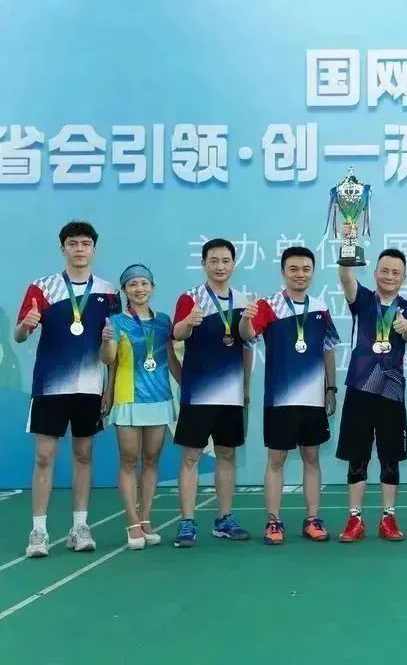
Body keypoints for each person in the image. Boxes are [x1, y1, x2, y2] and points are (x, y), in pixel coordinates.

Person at [15, 221, 119, 558]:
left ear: (94, 249)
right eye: (72, 243)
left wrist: (109, 384)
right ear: (63, 249)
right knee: (44, 457)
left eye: (85, 243)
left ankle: (80, 527)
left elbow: (111, 352)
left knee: (83, 455)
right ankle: (39, 531)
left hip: (90, 389)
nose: (79, 249)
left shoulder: (108, 292)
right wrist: (25, 325)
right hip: (50, 387)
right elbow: (19, 336)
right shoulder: (42, 288)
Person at [240, 246, 340, 545]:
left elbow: (328, 349)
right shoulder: (268, 305)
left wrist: (331, 388)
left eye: (306, 269)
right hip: (280, 399)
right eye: (293, 269)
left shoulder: (320, 307)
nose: (300, 274)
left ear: (313, 272)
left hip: (313, 400)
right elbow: (247, 336)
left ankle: (313, 519)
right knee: (276, 460)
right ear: (283, 272)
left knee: (312, 458)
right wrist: (246, 319)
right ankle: (273, 521)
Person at [171, 238, 254, 547]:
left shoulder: (243, 300)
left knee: (227, 454)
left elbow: (247, 345)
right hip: (199, 393)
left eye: (225, 261)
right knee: (191, 456)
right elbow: (176, 334)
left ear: (234, 264)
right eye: (214, 261)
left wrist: (245, 386)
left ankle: (224, 518)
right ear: (204, 264)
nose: (220, 266)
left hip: (231, 394)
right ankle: (187, 522)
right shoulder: (190, 298)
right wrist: (188, 322)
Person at [335, 244, 407, 543]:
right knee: (357, 457)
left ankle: (388, 519)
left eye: (396, 272)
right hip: (360, 389)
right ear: (375, 273)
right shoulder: (363, 299)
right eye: (385, 271)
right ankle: (354, 519)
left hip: (391, 392)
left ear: (403, 278)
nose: (389, 276)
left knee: (390, 458)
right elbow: (345, 276)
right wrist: (349, 242)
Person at [100, 264, 181, 550]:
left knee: (151, 460)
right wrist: (106, 343)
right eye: (133, 284)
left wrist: (187, 386)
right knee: (128, 460)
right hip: (128, 398)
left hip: (159, 398)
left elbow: (171, 358)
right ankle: (132, 522)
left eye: (144, 283)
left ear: (152, 287)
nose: (139, 289)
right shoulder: (115, 321)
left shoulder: (164, 321)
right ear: (125, 290)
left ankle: (146, 519)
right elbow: (109, 359)